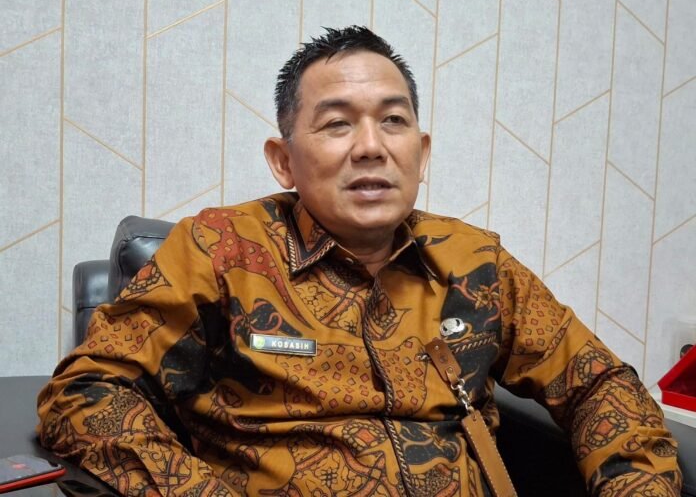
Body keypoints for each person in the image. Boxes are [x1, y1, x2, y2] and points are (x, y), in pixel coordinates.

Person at [37, 26, 681, 496]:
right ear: (283, 160)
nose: (371, 147)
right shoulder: (220, 250)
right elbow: (86, 394)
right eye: (337, 124)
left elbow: (599, 384)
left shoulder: (475, 261)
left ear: (422, 153)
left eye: (393, 121)